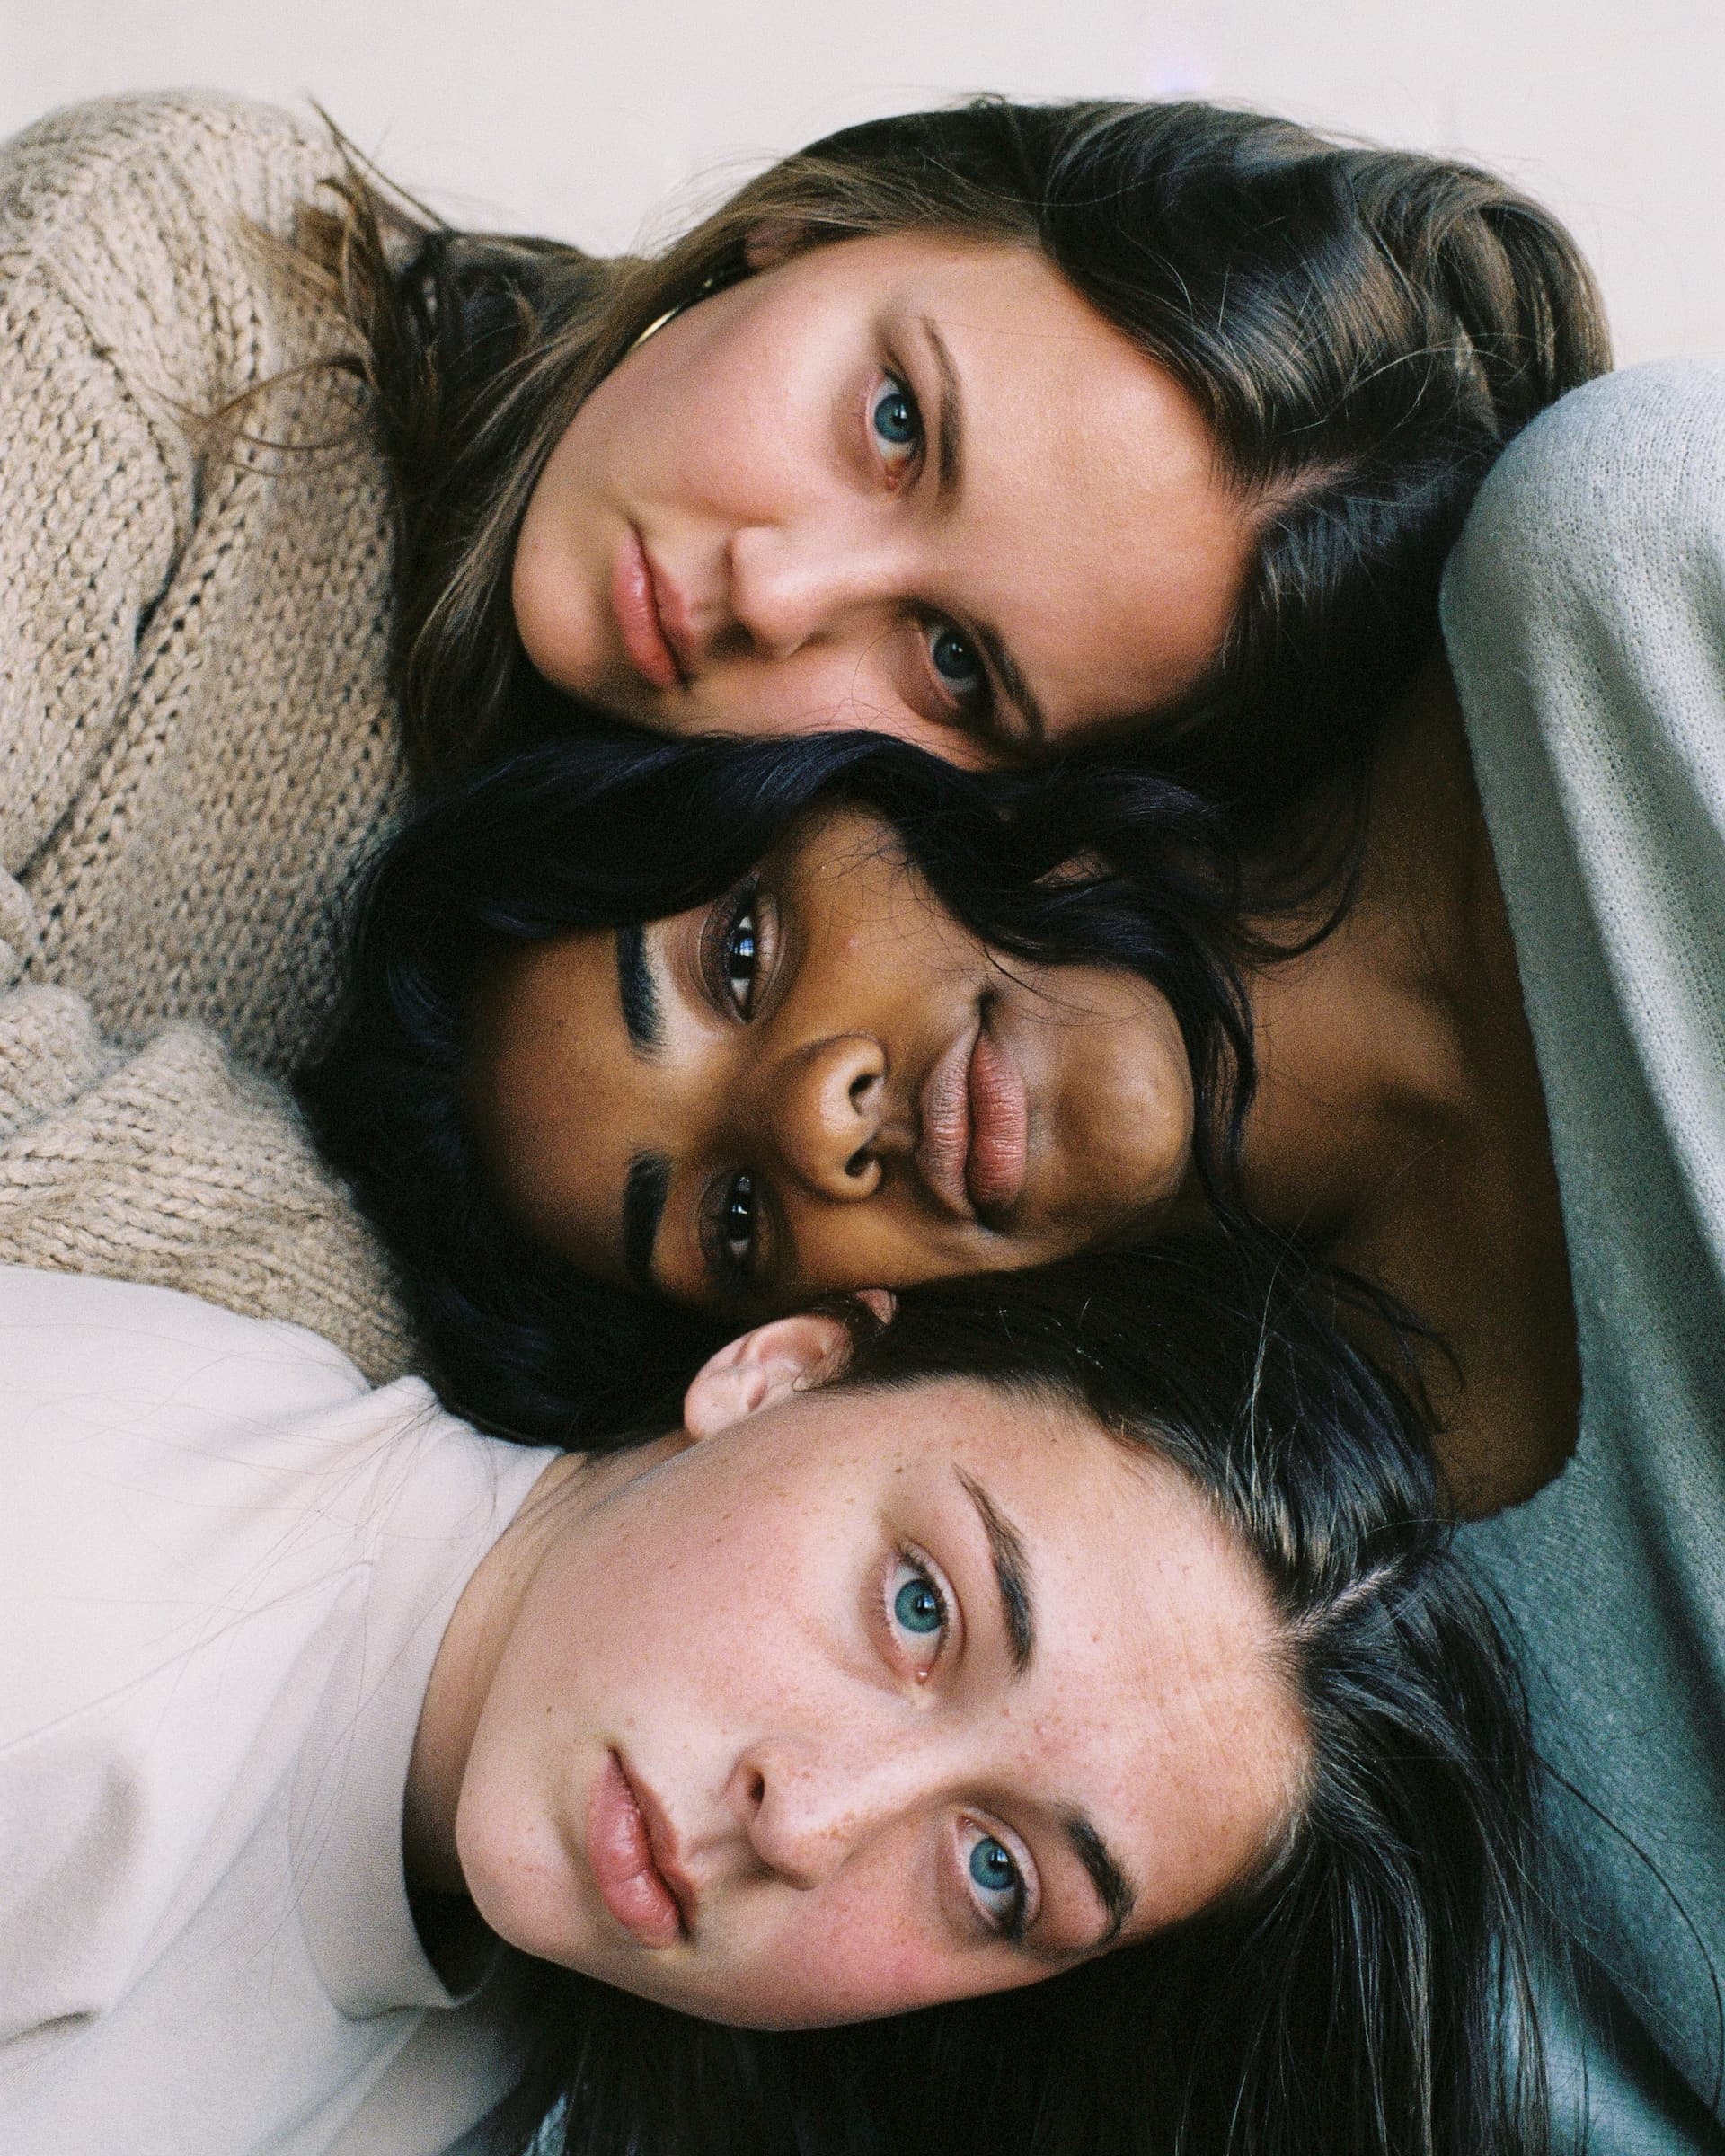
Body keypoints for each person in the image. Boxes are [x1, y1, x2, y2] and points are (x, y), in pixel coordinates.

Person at [315, 360, 1725, 2145]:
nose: (822, 1114)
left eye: (741, 959)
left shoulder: (1627, 603)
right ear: (806, 1354)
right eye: (739, 1224)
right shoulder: (1242, 1773)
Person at [0, 87, 1606, 1082]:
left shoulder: (760, 1035)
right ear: (818, 223)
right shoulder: (173, 283)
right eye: (896, 421)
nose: (777, 594)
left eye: (956, 664)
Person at [0, 1239, 1545, 2156]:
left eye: (996, 1875)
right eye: (919, 1607)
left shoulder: (511, 2024)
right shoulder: (72, 1593)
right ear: (781, 1371)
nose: (805, 1817)